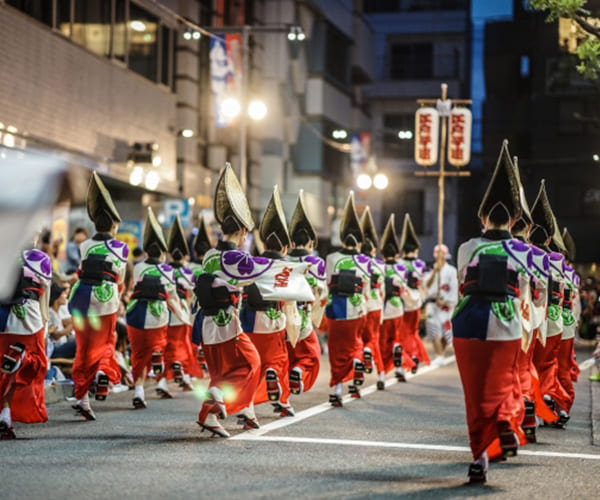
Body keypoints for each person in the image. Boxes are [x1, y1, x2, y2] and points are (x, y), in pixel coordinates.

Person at [452, 140, 532, 484]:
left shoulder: (467, 247)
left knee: (474, 393)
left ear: (482, 218)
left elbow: (460, 282)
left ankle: (479, 458)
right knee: (504, 383)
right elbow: (525, 292)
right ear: (514, 220)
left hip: (468, 323)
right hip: (505, 322)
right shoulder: (523, 251)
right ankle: (504, 420)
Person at [194, 164, 272, 436]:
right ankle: (219, 399)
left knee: (220, 372)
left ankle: (212, 416)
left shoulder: (208, 257)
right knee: (250, 363)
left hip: (205, 323)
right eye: (246, 233)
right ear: (240, 231)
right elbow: (264, 272)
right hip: (228, 323)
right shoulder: (237, 258)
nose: (246, 238)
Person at [68, 172, 129, 420]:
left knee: (83, 347)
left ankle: (83, 400)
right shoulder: (121, 247)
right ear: (114, 224)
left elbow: (82, 268)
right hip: (106, 299)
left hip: (82, 296)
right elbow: (121, 278)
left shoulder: (84, 245)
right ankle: (103, 373)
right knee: (105, 343)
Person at [242, 186, 296, 417]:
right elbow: (292, 303)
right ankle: (283, 401)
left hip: (250, 318)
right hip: (275, 318)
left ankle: (248, 410)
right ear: (285, 247)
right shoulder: (289, 267)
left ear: (263, 244)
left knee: (250, 366)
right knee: (278, 360)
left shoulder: (251, 262)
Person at [126, 207, 187, 409]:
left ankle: (139, 391)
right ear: (162, 252)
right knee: (159, 342)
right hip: (158, 313)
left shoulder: (138, 267)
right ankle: (157, 352)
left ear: (145, 251)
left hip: (136, 312)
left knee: (137, 354)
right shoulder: (168, 270)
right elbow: (172, 297)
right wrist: (183, 315)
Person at [0, 249, 52, 438]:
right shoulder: (40, 258)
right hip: (29, 315)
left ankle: (5, 416)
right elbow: (44, 298)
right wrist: (45, 325)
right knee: (38, 362)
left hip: (2, 317)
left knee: (3, 369)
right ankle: (22, 359)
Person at [325, 191, 368, 405]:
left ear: (341, 237)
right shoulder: (366, 261)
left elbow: (326, 284)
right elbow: (367, 288)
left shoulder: (331, 258)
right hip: (357, 308)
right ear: (359, 239)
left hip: (336, 309)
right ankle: (358, 360)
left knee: (336, 350)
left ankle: (337, 390)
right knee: (355, 343)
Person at [155, 215, 202, 398]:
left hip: (164, 309)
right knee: (181, 344)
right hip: (180, 308)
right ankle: (179, 367)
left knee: (164, 344)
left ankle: (163, 381)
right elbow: (190, 295)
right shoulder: (188, 272)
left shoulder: (164, 269)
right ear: (184, 255)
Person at [286, 190, 326, 396]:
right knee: (311, 354)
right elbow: (323, 293)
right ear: (311, 242)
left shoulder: (283, 261)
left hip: (282, 317)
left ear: (292, 242)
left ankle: (282, 398)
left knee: (283, 356)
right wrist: (315, 316)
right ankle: (299, 372)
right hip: (302, 315)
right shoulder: (316, 263)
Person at [377, 214, 411, 388]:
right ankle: (399, 366)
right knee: (396, 337)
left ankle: (381, 376)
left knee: (382, 343)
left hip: (383, 308)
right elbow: (405, 289)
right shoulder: (402, 268)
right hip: (397, 307)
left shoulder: (378, 266)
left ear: (382, 254)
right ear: (397, 253)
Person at [398, 214, 429, 372]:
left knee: (403, 332)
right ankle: (415, 355)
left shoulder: (399, 263)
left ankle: (408, 358)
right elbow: (423, 284)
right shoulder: (421, 264)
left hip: (403, 301)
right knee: (413, 330)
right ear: (416, 249)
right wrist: (421, 299)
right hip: (416, 300)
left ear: (403, 250)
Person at [358, 206, 385, 381]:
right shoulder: (381, 265)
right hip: (375, 305)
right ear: (374, 250)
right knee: (373, 340)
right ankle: (381, 374)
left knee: (358, 340)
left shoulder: (357, 262)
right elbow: (382, 290)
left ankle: (358, 374)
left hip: (360, 305)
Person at [424, 244, 458, 366]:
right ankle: (439, 355)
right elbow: (426, 285)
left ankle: (441, 353)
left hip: (445, 305)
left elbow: (454, 288)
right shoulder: (431, 269)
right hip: (432, 303)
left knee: (447, 331)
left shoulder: (451, 271)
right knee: (433, 328)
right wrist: (434, 272)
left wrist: (447, 300)